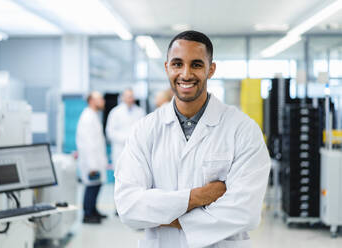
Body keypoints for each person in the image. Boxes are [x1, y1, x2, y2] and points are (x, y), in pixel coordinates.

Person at [114, 30, 271, 248]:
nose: (186, 74)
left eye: (196, 64)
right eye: (177, 64)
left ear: (211, 69)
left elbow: (245, 212)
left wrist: (163, 215)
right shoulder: (145, 130)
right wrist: (198, 197)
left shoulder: (243, 130)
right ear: (167, 67)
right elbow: (128, 207)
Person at [76, 91, 108, 224]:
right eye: (99, 99)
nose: (103, 101)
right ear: (91, 101)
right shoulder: (87, 117)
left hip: (96, 159)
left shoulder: (93, 115)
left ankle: (93, 210)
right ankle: (87, 214)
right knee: (91, 186)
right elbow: (88, 144)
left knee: (96, 185)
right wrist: (92, 165)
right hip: (91, 161)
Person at [106, 89, 145, 167]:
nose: (130, 99)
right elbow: (110, 132)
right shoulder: (115, 112)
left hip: (136, 150)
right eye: (128, 97)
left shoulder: (140, 112)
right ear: (123, 97)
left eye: (132, 97)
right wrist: (125, 138)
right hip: (120, 149)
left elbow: (144, 130)